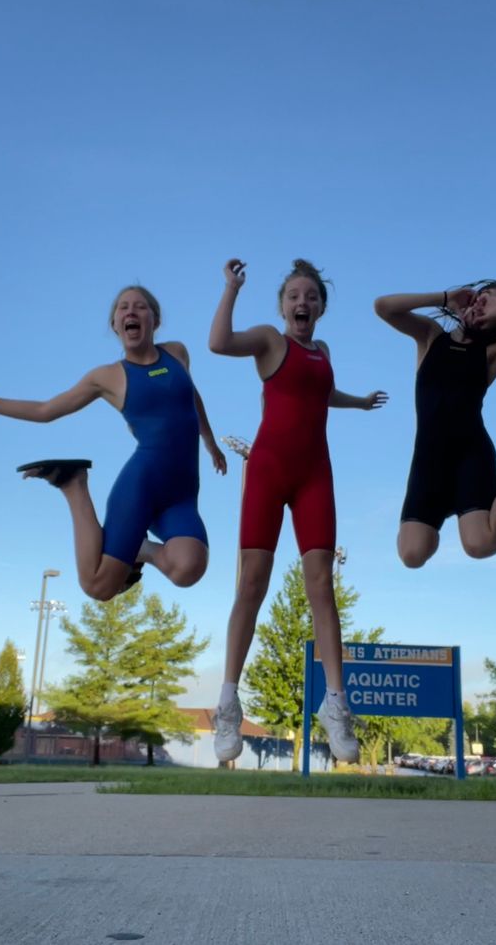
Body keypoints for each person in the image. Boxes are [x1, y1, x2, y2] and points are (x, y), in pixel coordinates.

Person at [209, 258, 387, 763]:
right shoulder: (270, 340)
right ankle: (227, 702)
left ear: (322, 307)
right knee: (251, 585)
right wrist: (230, 289)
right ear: (283, 306)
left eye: (311, 296)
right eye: (293, 296)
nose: (302, 302)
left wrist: (357, 402)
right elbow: (219, 344)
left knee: (322, 586)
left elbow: (322, 393)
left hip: (316, 476)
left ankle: (336, 705)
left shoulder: (323, 351)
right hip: (267, 472)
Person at [0, 285, 226, 600]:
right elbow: (45, 410)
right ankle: (74, 485)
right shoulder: (107, 377)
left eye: (140, 306)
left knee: (190, 568)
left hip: (182, 496)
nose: (130, 311)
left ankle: (141, 549)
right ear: (115, 325)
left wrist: (210, 442)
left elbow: (191, 396)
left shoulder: (177, 353)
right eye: (122, 307)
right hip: (143, 485)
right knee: (97, 586)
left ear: (154, 320)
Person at [374, 279, 496, 568]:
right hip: (428, 462)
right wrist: (445, 297)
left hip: (470, 456)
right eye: (482, 297)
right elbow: (383, 307)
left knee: (481, 545)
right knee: (412, 554)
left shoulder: (494, 353)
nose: (482, 304)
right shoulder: (431, 336)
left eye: (492, 305)